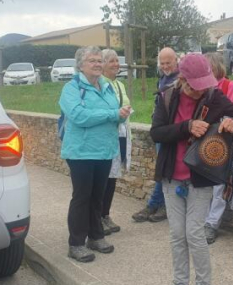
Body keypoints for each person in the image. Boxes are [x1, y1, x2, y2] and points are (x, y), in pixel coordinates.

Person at [151, 54, 233, 285]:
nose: (198, 90)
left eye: (202, 84)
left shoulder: (213, 96)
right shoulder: (165, 97)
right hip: (171, 177)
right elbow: (157, 132)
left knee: (194, 233)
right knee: (177, 234)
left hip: (200, 178)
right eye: (194, 85)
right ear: (182, 79)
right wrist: (186, 127)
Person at [59, 46, 131, 263]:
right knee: (82, 197)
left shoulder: (107, 87)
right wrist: (112, 114)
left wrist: (121, 115)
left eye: (99, 60)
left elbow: (114, 114)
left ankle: (96, 237)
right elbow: (79, 116)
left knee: (97, 198)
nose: (98, 64)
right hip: (80, 152)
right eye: (92, 60)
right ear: (80, 65)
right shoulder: (71, 89)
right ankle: (76, 243)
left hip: (105, 151)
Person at [203, 53, 233, 244]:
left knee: (219, 185)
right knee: (203, 184)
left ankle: (212, 224)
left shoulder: (230, 86)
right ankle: (202, 220)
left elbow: (232, 116)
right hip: (203, 143)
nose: (206, 72)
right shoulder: (202, 88)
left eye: (209, 67)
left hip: (223, 143)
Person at [132, 47, 179, 223]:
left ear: (176, 60)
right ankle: (156, 204)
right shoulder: (163, 79)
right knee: (162, 169)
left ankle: (160, 205)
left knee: (169, 170)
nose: (165, 66)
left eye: (169, 62)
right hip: (162, 130)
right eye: (163, 63)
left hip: (174, 132)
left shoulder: (181, 79)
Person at [100, 48, 132, 235]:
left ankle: (105, 215)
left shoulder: (119, 84)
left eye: (117, 61)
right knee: (104, 179)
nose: (116, 64)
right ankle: (97, 217)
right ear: (102, 64)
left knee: (112, 178)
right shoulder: (100, 85)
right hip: (106, 137)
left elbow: (125, 105)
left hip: (120, 134)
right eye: (111, 61)